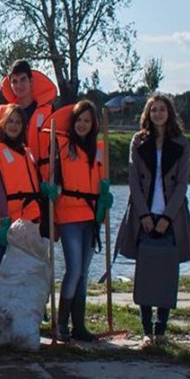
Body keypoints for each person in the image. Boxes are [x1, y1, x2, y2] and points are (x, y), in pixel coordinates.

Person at [116, 95, 190, 346]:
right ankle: (145, 330)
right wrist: (143, 214)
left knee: (166, 273)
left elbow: (182, 184)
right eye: (154, 110)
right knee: (145, 272)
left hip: (171, 217)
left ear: (169, 113)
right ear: (148, 114)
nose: (158, 113)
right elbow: (133, 181)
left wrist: (166, 216)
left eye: (163, 109)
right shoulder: (139, 141)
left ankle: (161, 331)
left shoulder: (181, 143)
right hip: (145, 216)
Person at [50, 100, 111, 342]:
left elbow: (101, 180)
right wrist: (51, 190)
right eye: (79, 120)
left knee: (84, 273)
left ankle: (79, 325)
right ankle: (62, 324)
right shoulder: (63, 146)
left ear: (93, 124)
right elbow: (54, 179)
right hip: (69, 215)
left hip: (91, 215)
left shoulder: (98, 149)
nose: (82, 124)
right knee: (74, 270)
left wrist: (105, 199)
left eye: (87, 120)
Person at [0, 104, 44, 267]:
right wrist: (4, 220)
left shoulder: (27, 152)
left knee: (27, 267)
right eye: (10, 121)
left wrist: (44, 190)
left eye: (18, 122)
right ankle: (1, 293)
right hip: (6, 220)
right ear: (3, 124)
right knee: (5, 266)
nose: (14, 125)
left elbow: (30, 182)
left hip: (29, 218)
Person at [0, 59, 57, 174]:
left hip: (41, 179)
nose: (19, 85)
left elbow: (58, 150)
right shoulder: (2, 115)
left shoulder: (49, 113)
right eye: (14, 81)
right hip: (13, 177)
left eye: (23, 79)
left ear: (31, 81)